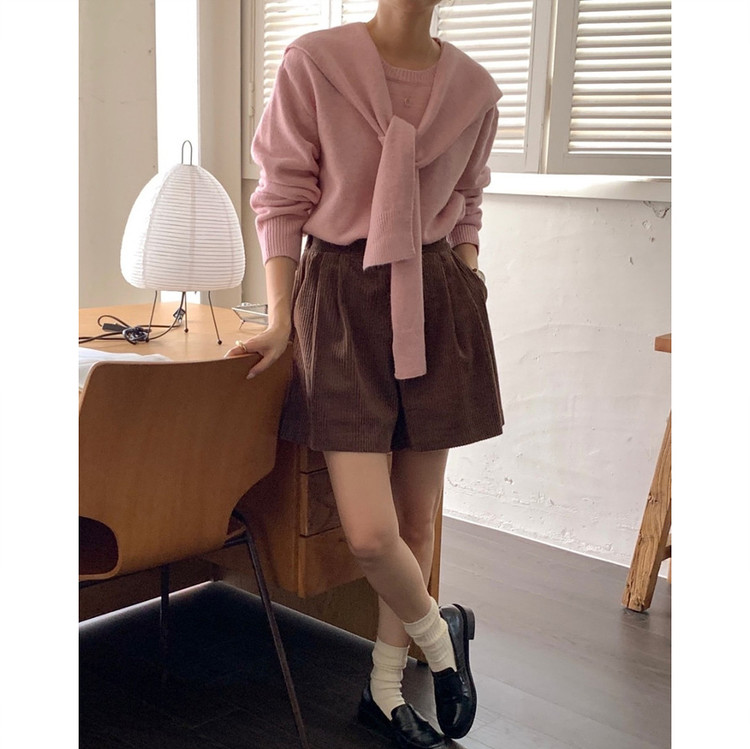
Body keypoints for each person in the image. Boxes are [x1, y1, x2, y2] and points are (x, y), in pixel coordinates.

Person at [227, 2, 504, 747]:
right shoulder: (315, 64)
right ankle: (442, 637)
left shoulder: (474, 89)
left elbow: (469, 201)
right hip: (341, 299)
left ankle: (383, 692)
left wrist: (469, 274)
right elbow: (282, 195)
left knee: (416, 522)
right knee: (372, 533)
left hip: (437, 300)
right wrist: (281, 319)